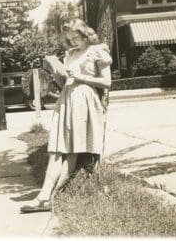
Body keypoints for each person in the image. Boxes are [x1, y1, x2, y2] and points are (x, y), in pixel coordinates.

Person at [20, 18, 112, 213]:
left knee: (71, 151)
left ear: (86, 34)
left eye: (76, 37)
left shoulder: (98, 50)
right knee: (56, 149)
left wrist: (80, 77)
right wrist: (54, 71)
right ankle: (45, 195)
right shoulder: (69, 54)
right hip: (67, 100)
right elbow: (64, 84)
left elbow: (107, 82)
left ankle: (51, 196)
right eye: (69, 39)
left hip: (86, 102)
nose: (73, 42)